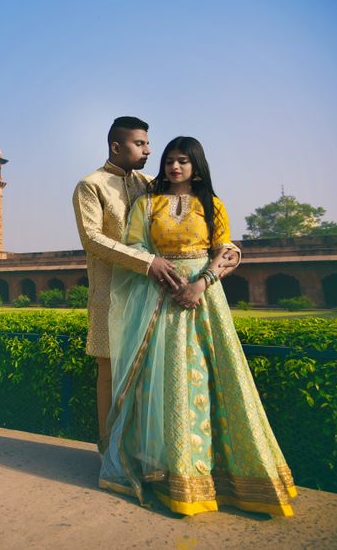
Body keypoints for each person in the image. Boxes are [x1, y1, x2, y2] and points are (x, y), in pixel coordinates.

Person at [98, 136, 296, 517]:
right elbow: (135, 246)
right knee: (163, 383)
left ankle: (230, 479)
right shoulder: (147, 204)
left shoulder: (212, 204)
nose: (175, 167)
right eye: (170, 160)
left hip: (203, 299)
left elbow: (228, 250)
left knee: (214, 379)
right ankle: (167, 475)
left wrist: (200, 284)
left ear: (196, 166)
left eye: (183, 161)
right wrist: (162, 274)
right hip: (159, 295)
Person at [72, 116, 192, 454]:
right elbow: (92, 239)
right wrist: (147, 262)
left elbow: (189, 214)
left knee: (150, 372)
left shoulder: (150, 183)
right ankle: (111, 451)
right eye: (140, 144)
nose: (149, 150)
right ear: (116, 146)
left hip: (149, 295)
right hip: (109, 295)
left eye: (148, 143)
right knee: (109, 373)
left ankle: (148, 452)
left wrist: (222, 249)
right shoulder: (90, 185)